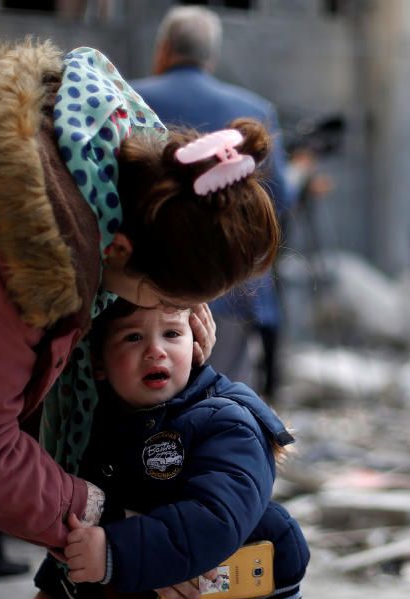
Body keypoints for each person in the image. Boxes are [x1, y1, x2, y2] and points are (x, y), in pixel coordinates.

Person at [0, 40, 277, 560]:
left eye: (180, 320)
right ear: (121, 250)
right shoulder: (11, 245)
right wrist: (99, 518)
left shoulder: (111, 152)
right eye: (168, 298)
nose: (178, 326)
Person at [28, 298, 307, 599]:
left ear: (196, 343)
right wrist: (60, 581)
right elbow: (91, 508)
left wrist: (113, 552)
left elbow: (214, 519)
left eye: (172, 333)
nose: (155, 350)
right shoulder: (95, 427)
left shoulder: (225, 421)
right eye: (132, 337)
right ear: (96, 362)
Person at [133, 5, 312, 401]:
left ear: (163, 49)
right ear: (210, 56)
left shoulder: (128, 97)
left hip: (138, 285)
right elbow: (278, 197)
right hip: (230, 290)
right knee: (220, 410)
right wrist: (300, 175)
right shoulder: (254, 110)